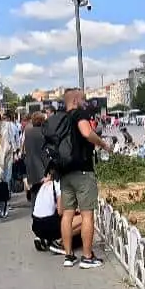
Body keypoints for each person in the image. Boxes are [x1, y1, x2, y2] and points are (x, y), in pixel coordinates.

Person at [57, 88, 113, 268]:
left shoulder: (61, 118)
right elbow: (87, 133)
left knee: (67, 214)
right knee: (88, 215)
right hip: (82, 171)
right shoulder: (79, 114)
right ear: (75, 100)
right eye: (82, 98)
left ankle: (68, 255)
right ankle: (87, 257)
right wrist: (103, 144)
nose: (85, 101)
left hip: (65, 172)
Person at [32, 178, 82, 254]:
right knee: (85, 218)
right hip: (48, 224)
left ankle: (45, 239)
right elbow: (60, 211)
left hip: (36, 225)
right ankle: (59, 242)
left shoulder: (47, 184)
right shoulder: (60, 185)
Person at [23, 112, 48, 212]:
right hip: (42, 166)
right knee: (45, 192)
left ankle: (35, 212)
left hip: (31, 166)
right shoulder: (44, 133)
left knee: (34, 191)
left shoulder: (28, 133)